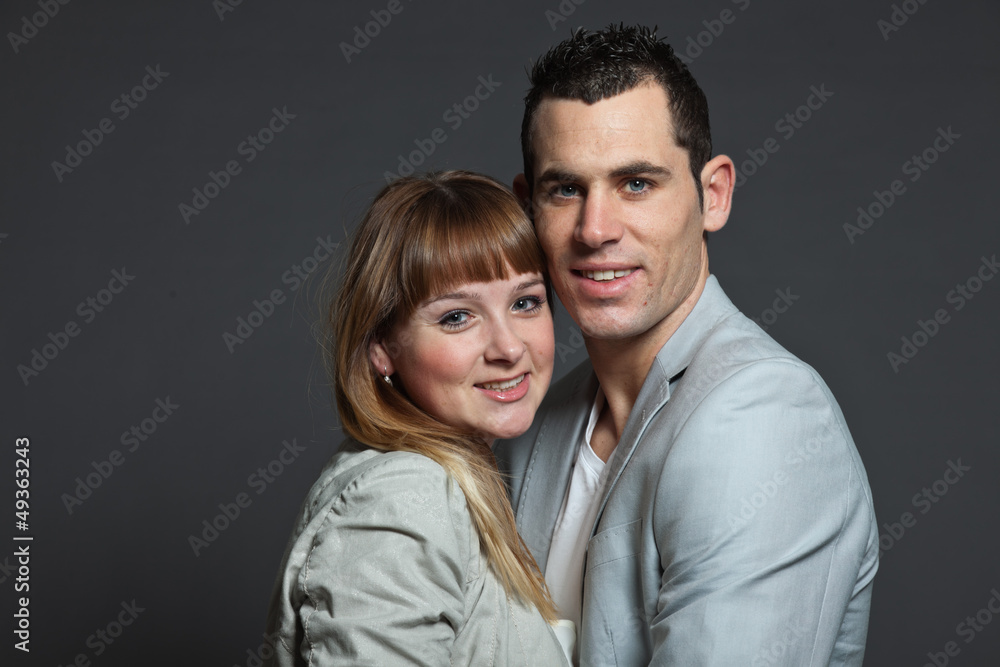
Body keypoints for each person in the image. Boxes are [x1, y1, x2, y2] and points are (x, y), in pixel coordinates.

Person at [494, 25, 879, 666]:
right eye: (566, 190)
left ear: (713, 195)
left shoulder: (762, 415)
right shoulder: (533, 422)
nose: (596, 230)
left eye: (637, 183)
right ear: (525, 208)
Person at [264, 171, 570, 666]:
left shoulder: (458, 483)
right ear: (381, 347)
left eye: (525, 302)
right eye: (457, 316)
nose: (510, 347)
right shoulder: (401, 499)